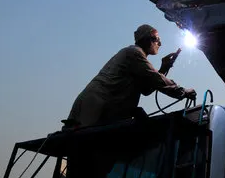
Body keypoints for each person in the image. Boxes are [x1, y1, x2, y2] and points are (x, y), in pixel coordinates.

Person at [63, 24, 197, 128]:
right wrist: (183, 91)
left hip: (99, 109)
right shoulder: (134, 53)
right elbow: (157, 81)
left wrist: (163, 68)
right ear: (146, 40)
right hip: (94, 108)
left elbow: (146, 89)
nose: (160, 44)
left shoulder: (135, 56)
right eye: (157, 40)